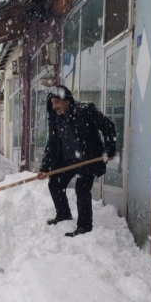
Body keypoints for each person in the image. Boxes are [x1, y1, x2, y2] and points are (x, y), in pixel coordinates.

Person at [37, 85, 116, 237]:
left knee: (82, 188)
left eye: (57, 102)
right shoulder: (55, 118)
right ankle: (63, 213)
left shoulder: (85, 110)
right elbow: (53, 144)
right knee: (55, 182)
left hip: (88, 159)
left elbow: (108, 126)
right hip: (68, 159)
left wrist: (109, 151)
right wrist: (45, 168)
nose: (54, 106)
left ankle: (84, 226)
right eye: (52, 103)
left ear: (67, 100)